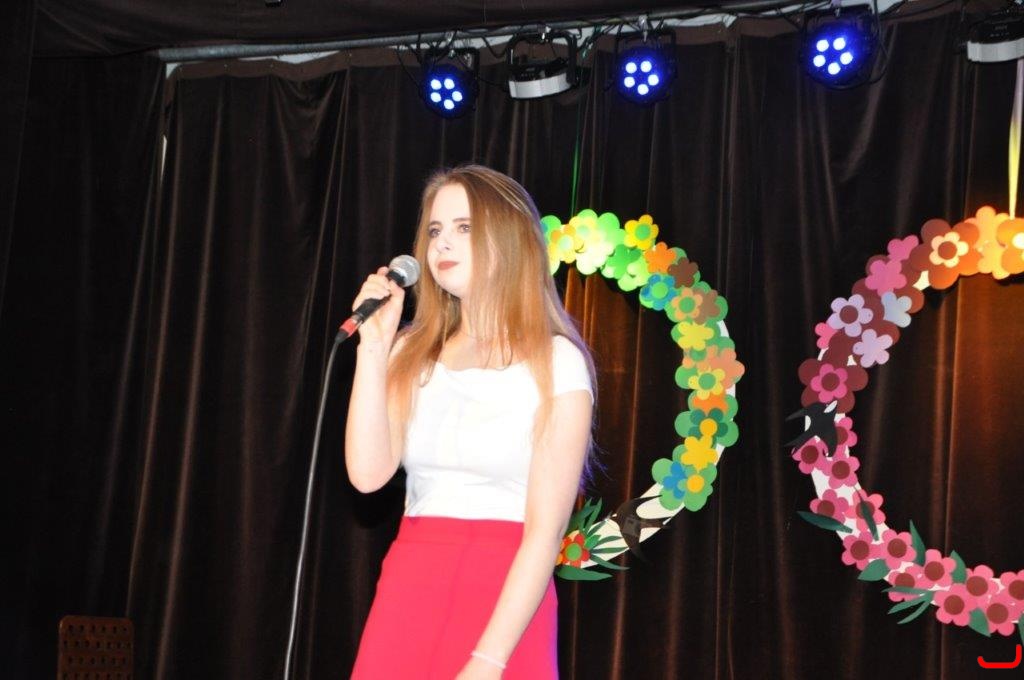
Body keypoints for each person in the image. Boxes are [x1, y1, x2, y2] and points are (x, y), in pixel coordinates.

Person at [345, 164, 596, 679]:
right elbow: (368, 475)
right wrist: (374, 348)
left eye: (464, 227)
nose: (442, 243)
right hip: (411, 582)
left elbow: (545, 534)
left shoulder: (556, 363)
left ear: (510, 238)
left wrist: (488, 661)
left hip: (507, 595)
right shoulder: (411, 351)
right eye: (435, 230)